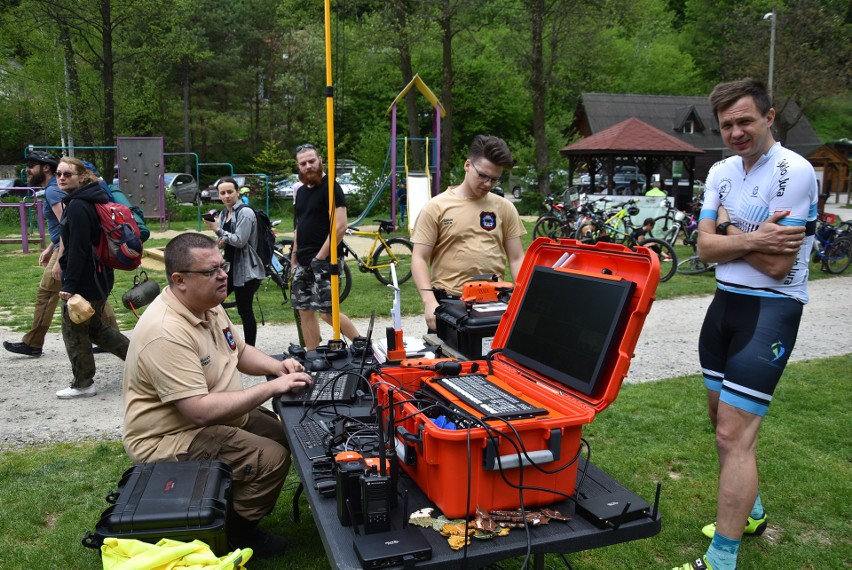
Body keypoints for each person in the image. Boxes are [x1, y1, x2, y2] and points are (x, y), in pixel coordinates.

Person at [672, 79, 817, 570]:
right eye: (727, 124)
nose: (735, 132)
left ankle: (721, 560)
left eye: (745, 121)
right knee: (719, 425)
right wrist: (751, 237)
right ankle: (750, 514)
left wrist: (729, 228)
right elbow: (702, 249)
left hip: (771, 312)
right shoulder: (720, 171)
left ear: (769, 117)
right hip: (724, 308)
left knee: (734, 436)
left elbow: (777, 268)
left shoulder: (792, 172)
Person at [122, 232, 312, 558]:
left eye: (222, 265)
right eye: (211, 271)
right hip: (170, 435)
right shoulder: (165, 331)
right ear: (179, 280)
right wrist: (270, 387)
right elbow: (198, 412)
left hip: (213, 413)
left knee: (285, 436)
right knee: (271, 459)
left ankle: (223, 503)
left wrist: (278, 367)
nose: (223, 275)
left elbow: (237, 351)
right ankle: (233, 535)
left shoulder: (207, 305)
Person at [411, 134, 526, 332]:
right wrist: (429, 302)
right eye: (483, 175)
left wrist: (524, 296)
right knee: (449, 361)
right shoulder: (436, 207)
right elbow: (419, 257)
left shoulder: (504, 207)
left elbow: (516, 258)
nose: (488, 184)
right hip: (450, 304)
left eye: (494, 179)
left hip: (495, 302)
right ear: (467, 165)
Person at [55, 158, 130, 398]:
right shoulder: (90, 199)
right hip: (100, 276)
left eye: (68, 174)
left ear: (81, 177)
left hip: (87, 280)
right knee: (96, 328)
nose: (62, 178)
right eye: (58, 174)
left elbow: (77, 249)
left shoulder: (78, 205)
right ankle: (144, 361)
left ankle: (84, 383)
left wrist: (69, 285)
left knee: (73, 329)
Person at [291, 144, 360, 350]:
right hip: (302, 260)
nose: (308, 166)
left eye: (311, 161)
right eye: (303, 163)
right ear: (298, 166)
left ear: (320, 160)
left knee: (328, 312)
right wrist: (294, 256)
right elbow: (299, 226)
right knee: (304, 310)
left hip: (325, 260)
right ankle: (312, 356)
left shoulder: (331, 186)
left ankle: (362, 346)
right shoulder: (301, 192)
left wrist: (320, 258)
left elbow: (340, 226)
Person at [203, 177, 265, 346]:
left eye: (230, 192)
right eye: (223, 193)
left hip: (246, 269)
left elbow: (239, 241)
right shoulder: (224, 213)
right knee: (215, 302)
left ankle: (250, 348)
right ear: (219, 195)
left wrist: (217, 229)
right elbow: (227, 239)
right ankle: (229, 340)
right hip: (229, 267)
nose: (227, 196)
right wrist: (220, 239)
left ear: (238, 192)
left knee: (245, 310)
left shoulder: (245, 212)